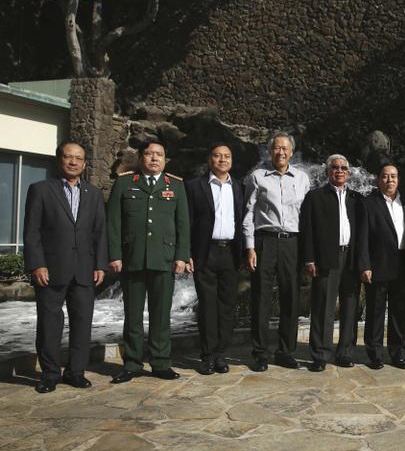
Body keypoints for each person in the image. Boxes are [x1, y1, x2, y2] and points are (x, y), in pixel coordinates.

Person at [23, 140, 108, 393]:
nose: (73, 162)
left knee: (82, 323)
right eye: (68, 157)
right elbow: (32, 232)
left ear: (84, 163)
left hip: (84, 270)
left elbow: (100, 233)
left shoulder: (93, 194)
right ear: (59, 159)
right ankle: (50, 374)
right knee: (50, 324)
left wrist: (100, 265)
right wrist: (37, 263)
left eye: (78, 158)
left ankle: (76, 372)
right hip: (50, 269)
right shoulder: (40, 189)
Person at [108, 138, 190, 383]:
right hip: (132, 259)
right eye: (150, 154)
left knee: (161, 315)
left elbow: (183, 224)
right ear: (141, 157)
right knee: (132, 315)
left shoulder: (175, 186)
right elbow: (112, 223)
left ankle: (160, 363)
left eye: (159, 154)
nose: (155, 158)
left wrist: (181, 256)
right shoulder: (124, 183)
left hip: (164, 260)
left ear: (165, 159)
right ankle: (132, 364)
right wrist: (114, 255)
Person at [242, 131, 310, 371]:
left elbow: (306, 217)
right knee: (261, 296)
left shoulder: (302, 178)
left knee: (290, 297)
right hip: (265, 241)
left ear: (292, 152)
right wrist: (250, 247)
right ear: (270, 151)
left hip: (292, 242)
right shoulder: (257, 177)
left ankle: (285, 351)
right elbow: (248, 214)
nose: (281, 152)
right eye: (276, 148)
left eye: (285, 148)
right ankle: (260, 352)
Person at [300, 154, 366, 371]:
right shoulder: (315, 197)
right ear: (328, 171)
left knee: (350, 306)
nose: (339, 171)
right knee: (322, 307)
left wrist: (363, 262)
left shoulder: (357, 199)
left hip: (351, 258)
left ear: (348, 172)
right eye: (335, 167)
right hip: (326, 257)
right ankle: (320, 354)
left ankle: (345, 352)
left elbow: (364, 234)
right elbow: (307, 230)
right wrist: (309, 258)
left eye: (343, 168)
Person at [185, 142, 246, 375]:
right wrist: (187, 253)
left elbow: (243, 220)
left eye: (227, 156)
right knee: (207, 306)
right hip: (205, 252)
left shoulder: (240, 186)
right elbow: (188, 222)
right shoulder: (194, 186)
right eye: (217, 156)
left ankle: (221, 354)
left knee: (227, 306)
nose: (222, 160)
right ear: (210, 160)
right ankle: (207, 356)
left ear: (231, 160)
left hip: (231, 252)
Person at [358, 164, 405, 369]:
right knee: (375, 311)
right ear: (378, 179)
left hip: (402, 263)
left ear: (398, 179)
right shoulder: (369, 203)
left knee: (400, 311)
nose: (389, 180)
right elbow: (362, 237)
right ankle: (375, 354)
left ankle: (398, 353)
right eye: (385, 176)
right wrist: (364, 265)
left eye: (393, 176)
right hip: (378, 263)